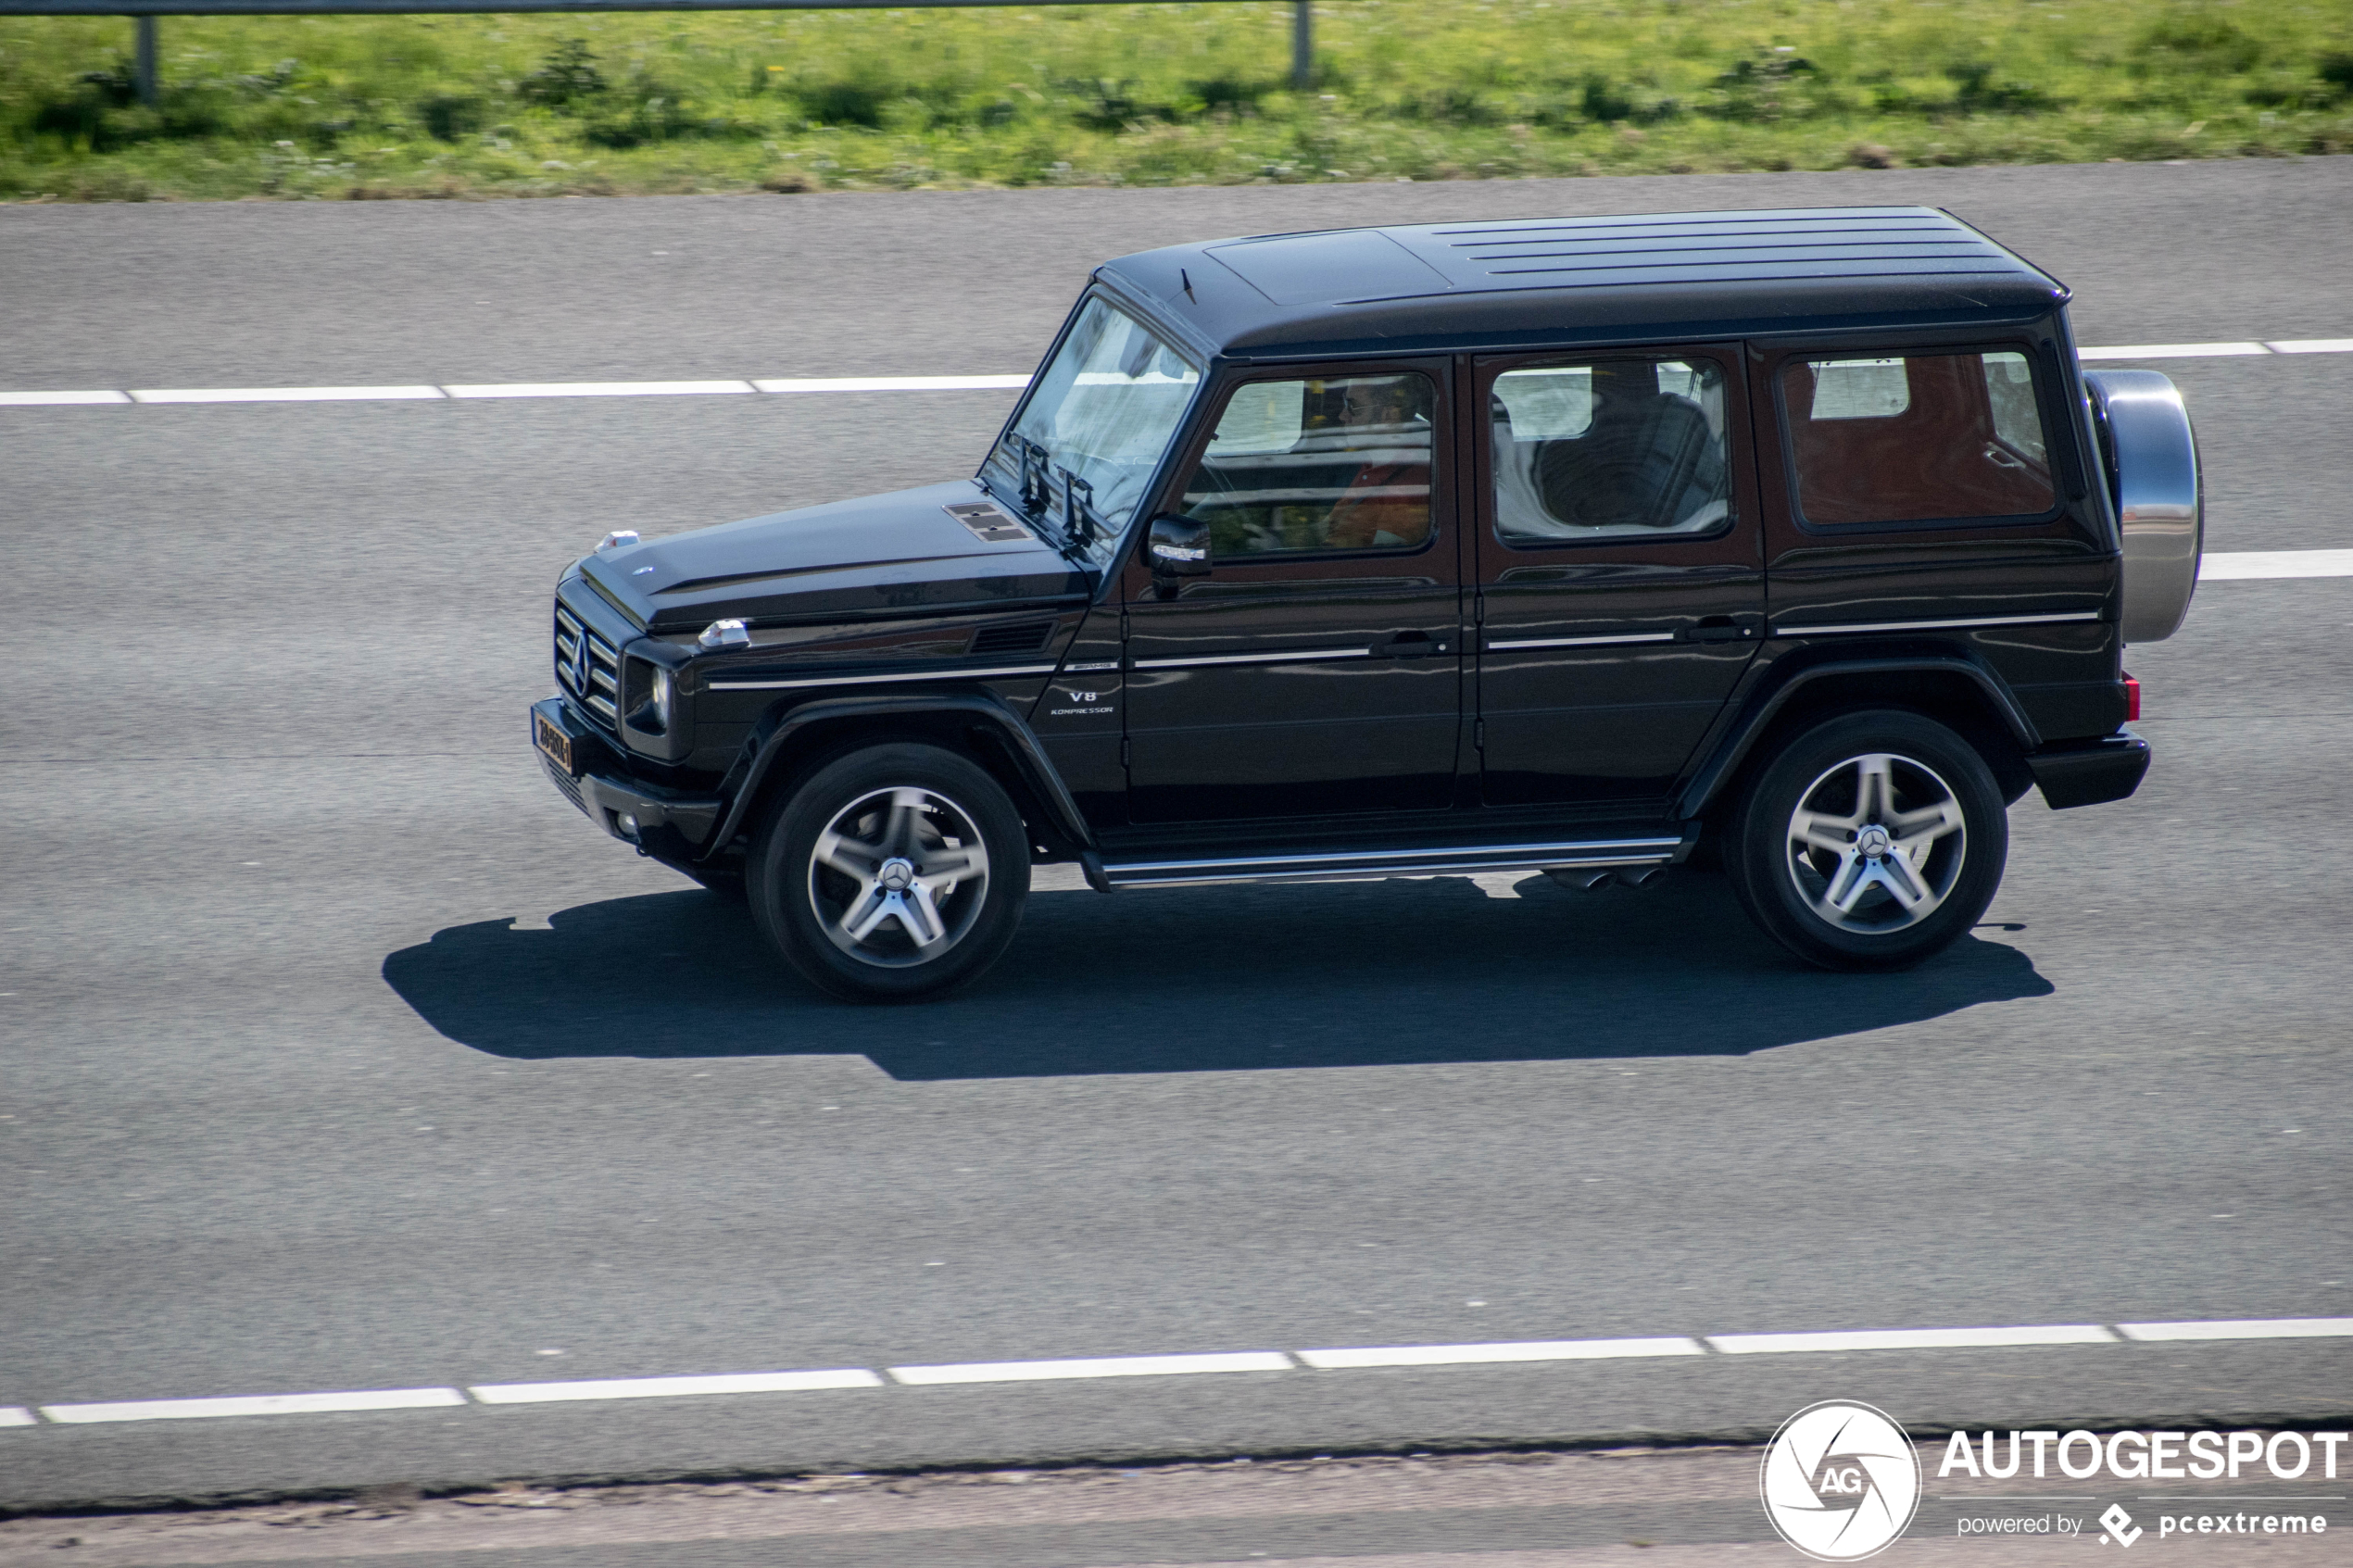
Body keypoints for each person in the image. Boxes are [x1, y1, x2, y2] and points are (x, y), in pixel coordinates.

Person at [1322, 377, 1434, 549]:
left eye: (1353, 407)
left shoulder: (1408, 488)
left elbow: (1375, 565)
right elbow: (1332, 527)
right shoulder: (1374, 465)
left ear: (1390, 416)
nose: (1342, 416)